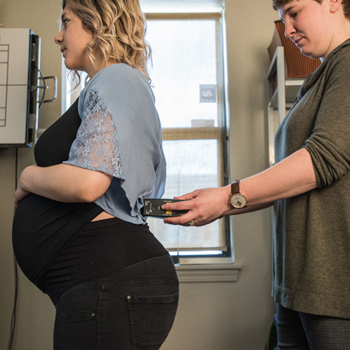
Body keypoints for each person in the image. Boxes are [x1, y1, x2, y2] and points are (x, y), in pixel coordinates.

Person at [162, 0, 350, 348]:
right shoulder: (318, 78)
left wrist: (224, 197)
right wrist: (220, 202)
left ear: (334, 2)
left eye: (294, 12)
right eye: (282, 17)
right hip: (296, 285)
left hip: (332, 290)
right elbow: (288, 183)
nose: (287, 28)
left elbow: (322, 158)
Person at [12, 1, 179, 349]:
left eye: (66, 22)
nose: (58, 36)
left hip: (110, 279)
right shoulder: (119, 84)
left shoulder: (116, 78)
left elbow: (88, 182)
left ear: (97, 21)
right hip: (105, 280)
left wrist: (28, 177)